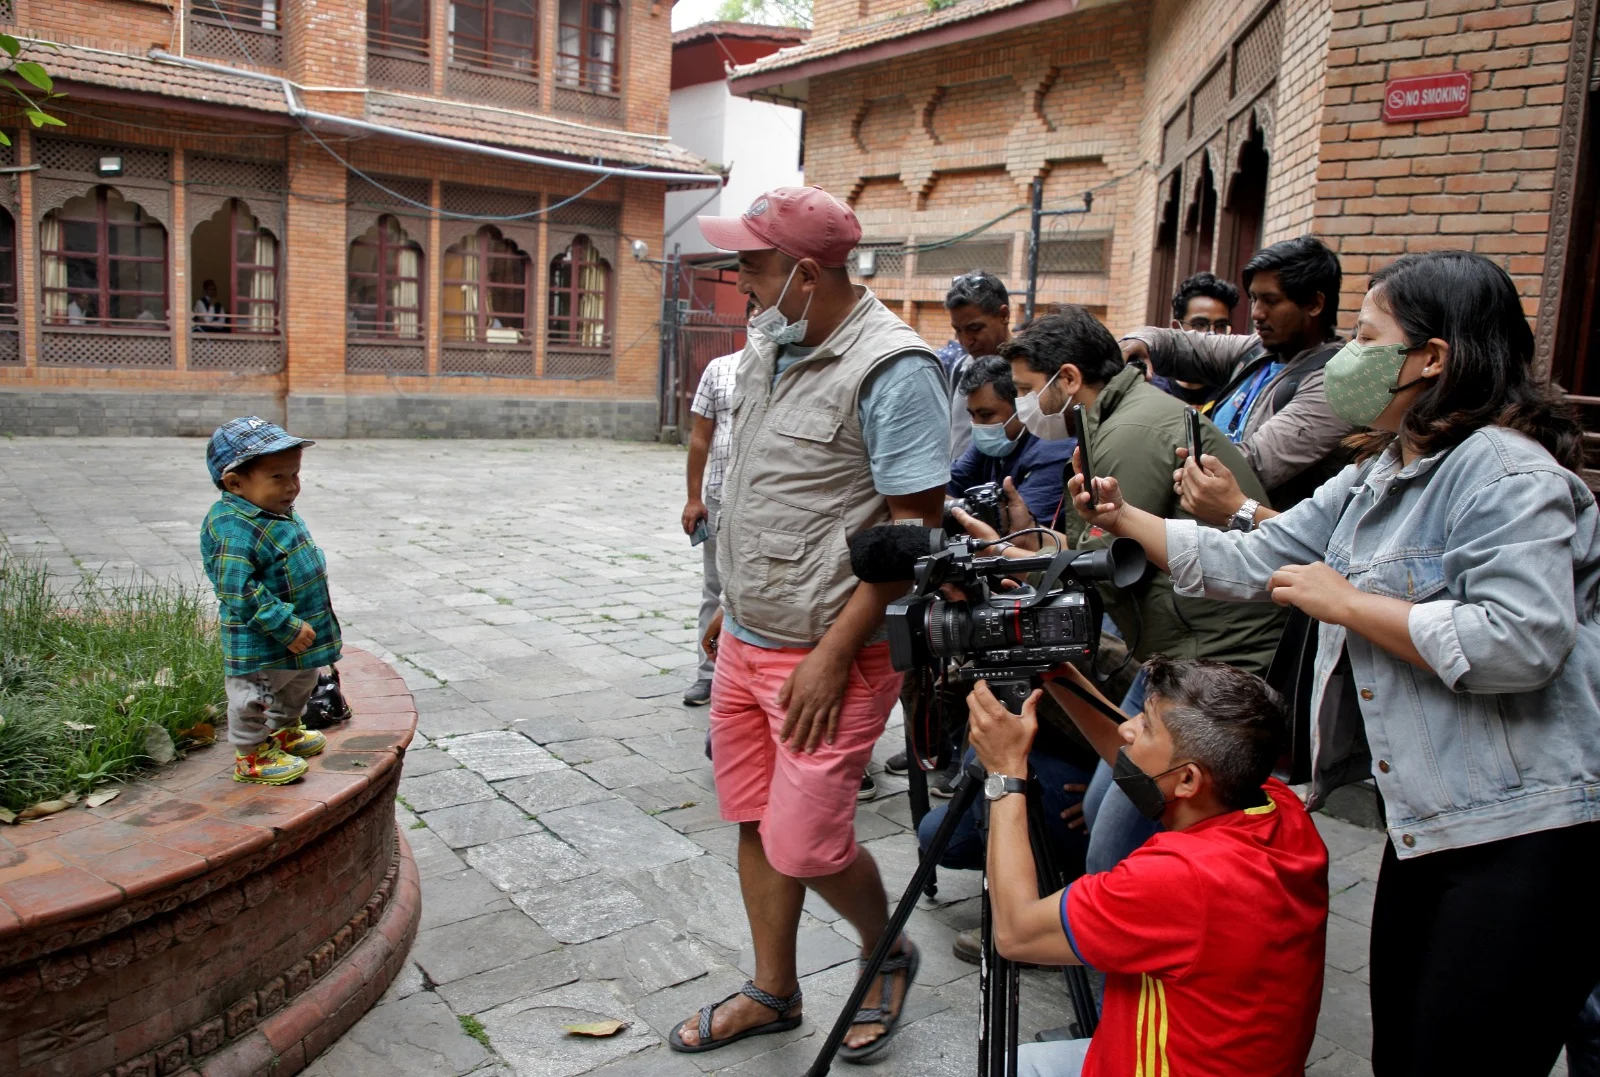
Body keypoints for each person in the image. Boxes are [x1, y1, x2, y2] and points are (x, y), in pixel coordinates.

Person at [1073, 249, 1600, 1076]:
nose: (1347, 359)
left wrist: (1349, 603)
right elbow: (1263, 555)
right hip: (1431, 817)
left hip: (1526, 827)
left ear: (1431, 358)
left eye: (1365, 336)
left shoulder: (1505, 473)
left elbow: (1520, 640)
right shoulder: (1382, 471)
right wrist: (1130, 519)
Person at [669, 186, 949, 1062]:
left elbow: (915, 538)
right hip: (750, 635)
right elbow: (759, 484)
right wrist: (732, 610)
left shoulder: (893, 369)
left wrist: (832, 652)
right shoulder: (768, 343)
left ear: (799, 272)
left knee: (809, 839)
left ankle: (886, 948)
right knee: (756, 818)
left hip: (836, 653)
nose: (737, 282)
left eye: (749, 266)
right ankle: (773, 989)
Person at [961, 307, 1286, 874]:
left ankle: (1117, 941)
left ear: (1067, 379)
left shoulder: (1130, 430)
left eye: (1026, 390)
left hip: (1211, 656)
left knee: (1116, 844)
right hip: (1172, 648)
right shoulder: (1107, 420)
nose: (1022, 407)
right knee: (1104, 810)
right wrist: (1036, 546)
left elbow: (1111, 563)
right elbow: (1101, 539)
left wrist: (1012, 556)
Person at [968, 657, 1328, 1077]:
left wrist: (1005, 774)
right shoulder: (1275, 805)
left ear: (1190, 780)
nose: (1127, 727)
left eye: (1146, 725)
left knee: (1007, 1068)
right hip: (1233, 1058)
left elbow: (1016, 933)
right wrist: (1059, 674)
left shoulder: (1179, 878)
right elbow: (1151, 767)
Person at [1120, 236, 1350, 516]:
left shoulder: (1337, 382)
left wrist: (1146, 462)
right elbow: (1177, 344)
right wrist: (1137, 342)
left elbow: (1250, 466)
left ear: (1314, 304)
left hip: (1265, 550)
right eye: (1254, 298)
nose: (1257, 313)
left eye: (1271, 301)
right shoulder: (1257, 351)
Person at [200, 417, 340, 785]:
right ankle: (250, 756)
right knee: (254, 695)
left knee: (300, 682)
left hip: (299, 633)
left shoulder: (271, 510)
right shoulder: (232, 526)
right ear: (235, 483)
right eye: (278, 477)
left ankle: (286, 730)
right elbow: (238, 589)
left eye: (294, 475)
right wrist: (284, 625)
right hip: (262, 638)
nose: (292, 487)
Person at [947, 355, 1075, 527]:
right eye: (972, 414)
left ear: (1020, 408)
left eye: (985, 415)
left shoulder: (1052, 448)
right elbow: (943, 487)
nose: (977, 425)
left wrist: (955, 509)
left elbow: (1018, 529)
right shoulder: (989, 442)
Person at [681, 349, 738, 707]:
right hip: (720, 497)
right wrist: (693, 497)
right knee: (714, 588)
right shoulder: (720, 369)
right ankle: (708, 674)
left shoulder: (795, 369)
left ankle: (745, 675)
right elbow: (701, 437)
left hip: (769, 504)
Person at [941, 271, 1013, 461]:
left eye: (975, 329)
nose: (966, 341)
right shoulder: (959, 369)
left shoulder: (1030, 376)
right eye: (958, 331)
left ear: (1003, 315)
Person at [1155, 271, 1241, 408]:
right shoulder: (1152, 390)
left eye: (1220, 326)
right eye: (1200, 324)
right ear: (1177, 328)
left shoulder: (1235, 395)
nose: (1211, 335)